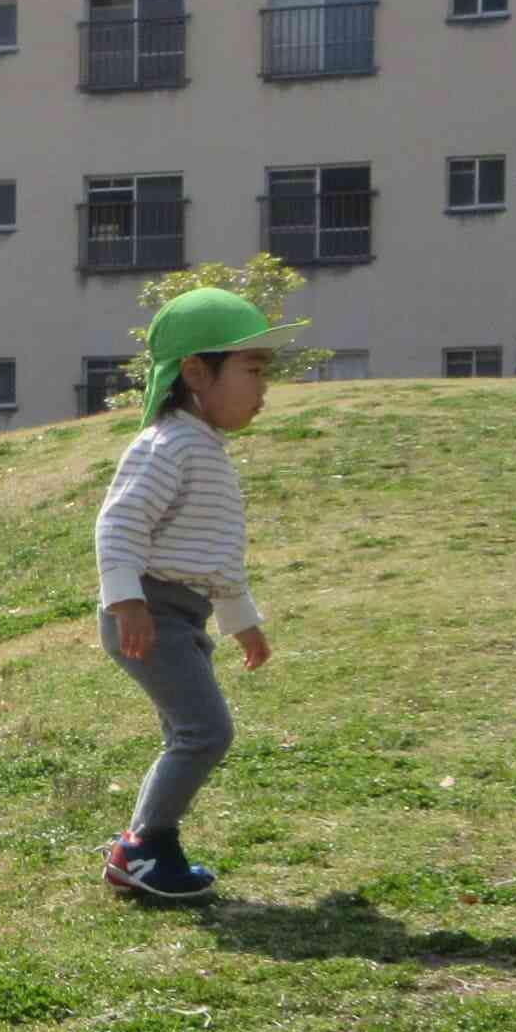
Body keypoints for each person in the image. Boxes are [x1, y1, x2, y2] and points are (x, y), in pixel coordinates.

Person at [92, 286, 294, 904]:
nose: (263, 389)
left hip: (181, 614)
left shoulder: (205, 448)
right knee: (205, 731)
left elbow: (218, 557)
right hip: (150, 613)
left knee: (187, 732)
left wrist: (242, 622)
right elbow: (118, 524)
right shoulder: (168, 444)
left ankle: (147, 847)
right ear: (196, 373)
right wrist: (127, 602)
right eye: (252, 371)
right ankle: (142, 848)